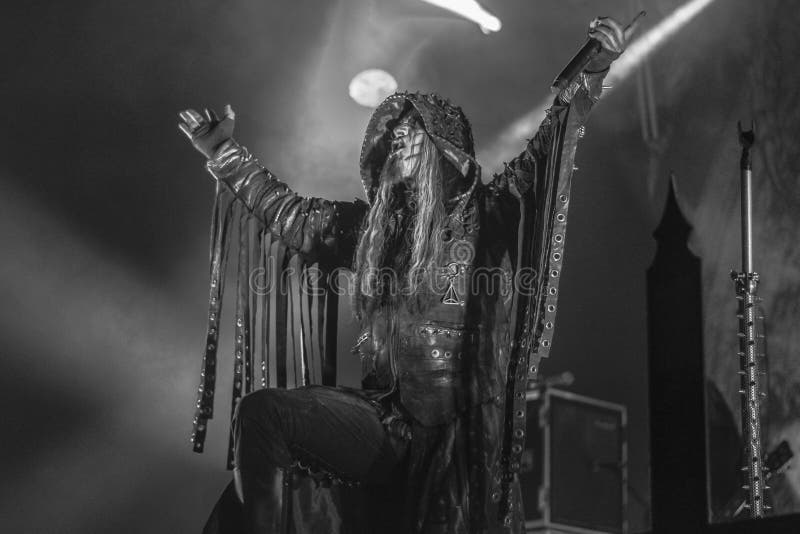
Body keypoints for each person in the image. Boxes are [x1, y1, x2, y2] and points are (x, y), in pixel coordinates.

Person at [179, 15, 640, 534]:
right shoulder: (369, 230)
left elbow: (546, 150)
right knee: (265, 413)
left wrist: (590, 74)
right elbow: (291, 215)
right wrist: (225, 154)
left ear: (444, 148)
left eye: (410, 128)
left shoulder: (486, 212)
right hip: (387, 426)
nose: (397, 137)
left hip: (459, 438)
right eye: (391, 131)